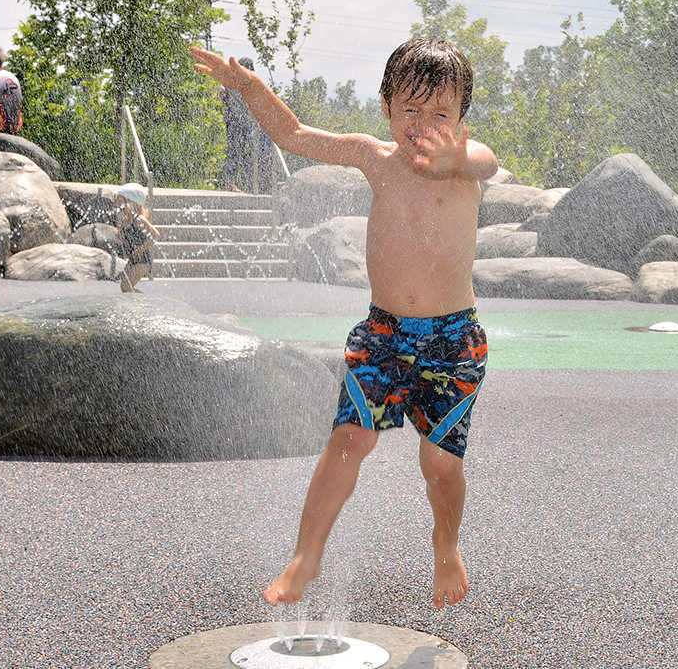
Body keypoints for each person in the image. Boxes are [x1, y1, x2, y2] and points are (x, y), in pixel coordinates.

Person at [189, 36, 499, 611]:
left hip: (454, 342)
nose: (423, 126)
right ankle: (307, 555)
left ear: (460, 121)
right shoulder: (374, 158)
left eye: (440, 115)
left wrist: (458, 158)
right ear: (385, 106)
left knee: (439, 463)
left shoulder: (464, 167)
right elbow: (296, 136)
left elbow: (487, 159)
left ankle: (447, 543)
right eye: (411, 109)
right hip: (383, 336)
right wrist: (249, 87)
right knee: (347, 441)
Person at [217, 58, 258, 192]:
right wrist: (221, 92)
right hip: (233, 122)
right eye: (247, 69)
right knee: (233, 151)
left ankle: (238, 182)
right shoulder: (230, 81)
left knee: (241, 153)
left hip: (245, 123)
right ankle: (229, 183)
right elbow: (219, 96)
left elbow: (251, 105)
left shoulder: (248, 84)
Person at [112, 183, 160, 293]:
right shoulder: (126, 220)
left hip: (142, 260)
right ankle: (137, 304)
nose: (120, 206)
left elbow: (155, 235)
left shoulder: (139, 219)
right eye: (118, 202)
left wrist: (141, 249)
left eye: (123, 202)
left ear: (135, 204)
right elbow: (121, 234)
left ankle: (144, 305)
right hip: (133, 259)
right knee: (124, 286)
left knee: (126, 286)